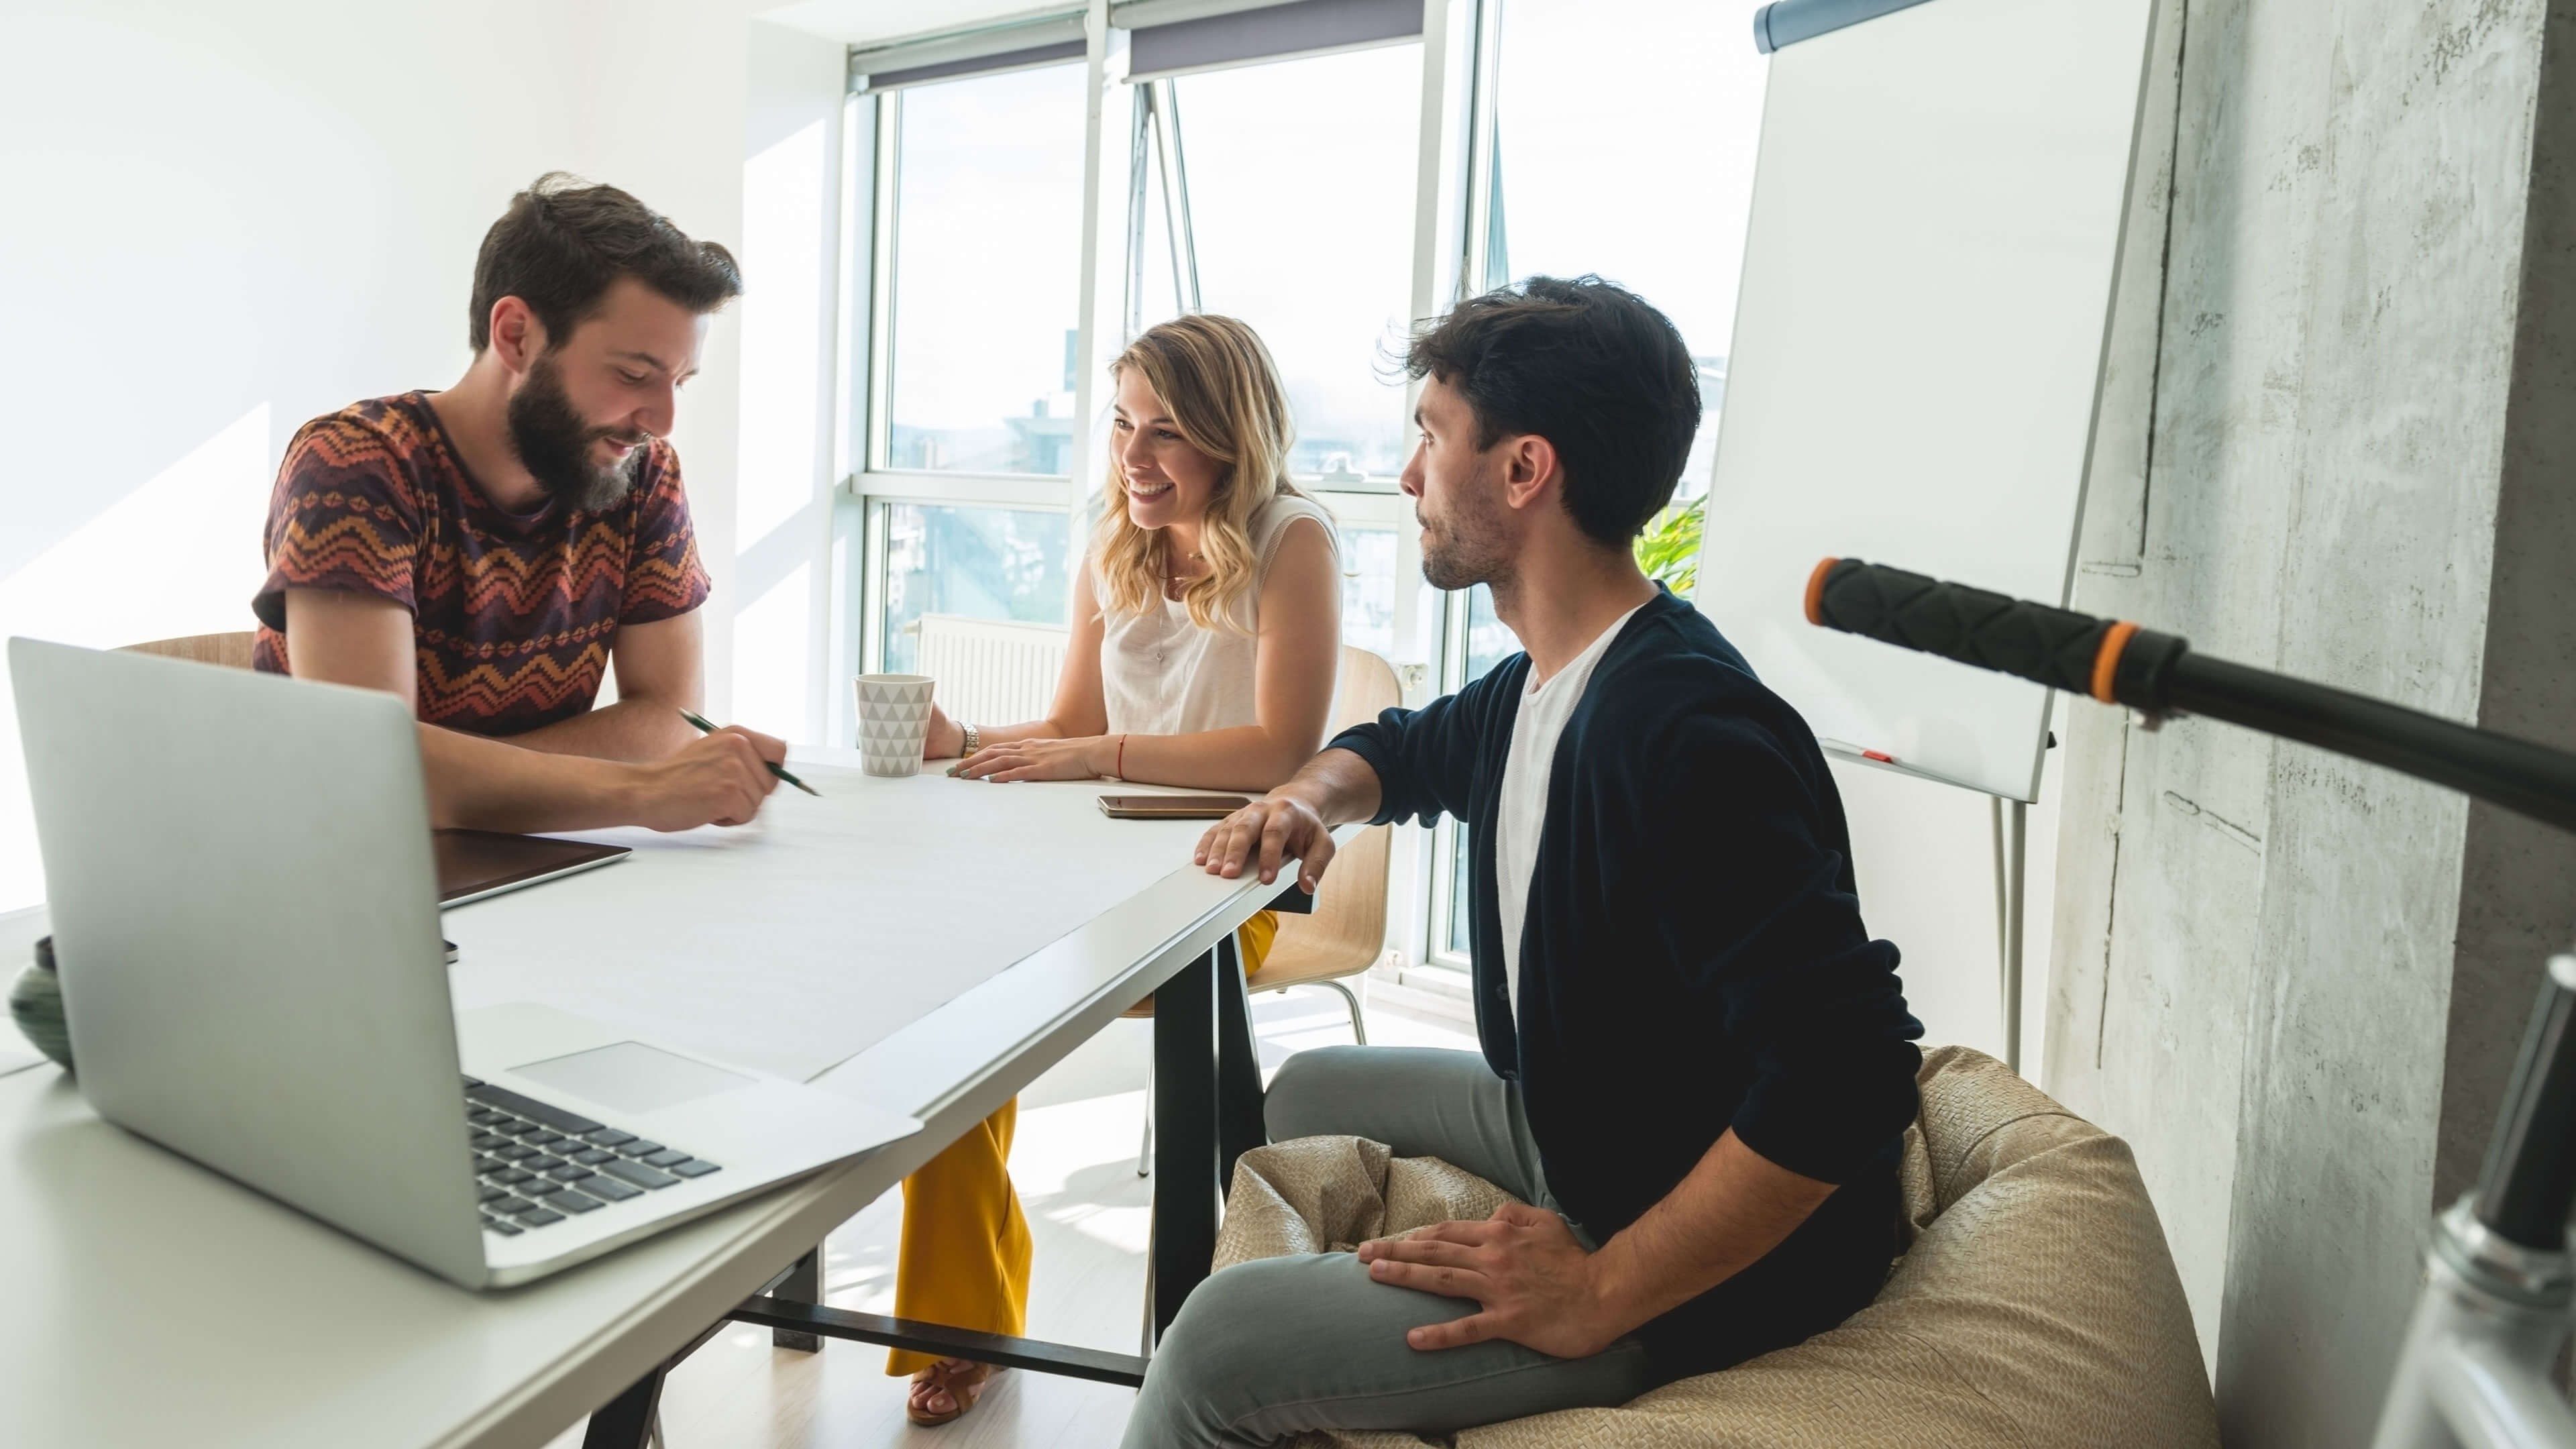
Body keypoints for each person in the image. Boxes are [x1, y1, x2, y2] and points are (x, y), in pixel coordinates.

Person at [1142, 276, 1927, 1446]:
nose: (1410, 476)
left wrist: (1603, 1289)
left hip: (1697, 1259)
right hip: (1591, 1125)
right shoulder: (1551, 678)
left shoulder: (1680, 735)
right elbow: (1399, 751)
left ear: (1523, 471)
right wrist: (1309, 795)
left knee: (1213, 1348)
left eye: (1431, 438)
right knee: (1305, 1096)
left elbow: (1850, 1075)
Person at [888, 313, 1345, 1427]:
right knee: (949, 1002)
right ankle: (965, 1319)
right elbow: (1073, 727)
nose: (1133, 458)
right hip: (1096, 866)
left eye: (1168, 433)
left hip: (1229, 880)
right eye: (1122, 425)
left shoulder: (1294, 542)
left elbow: (1285, 749)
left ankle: (1191, 1352)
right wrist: (972, 743)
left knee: (1001, 998)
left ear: (1231, 443)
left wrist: (1092, 754)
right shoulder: (1115, 540)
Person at [252, 173, 786, 832]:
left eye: (679, 382)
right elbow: (366, 771)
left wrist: (442, 782)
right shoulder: (359, 465)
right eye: (633, 375)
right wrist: (638, 793)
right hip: (335, 867)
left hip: (530, 862)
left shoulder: (641, 474)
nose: (662, 419)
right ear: (516, 336)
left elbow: (669, 720)